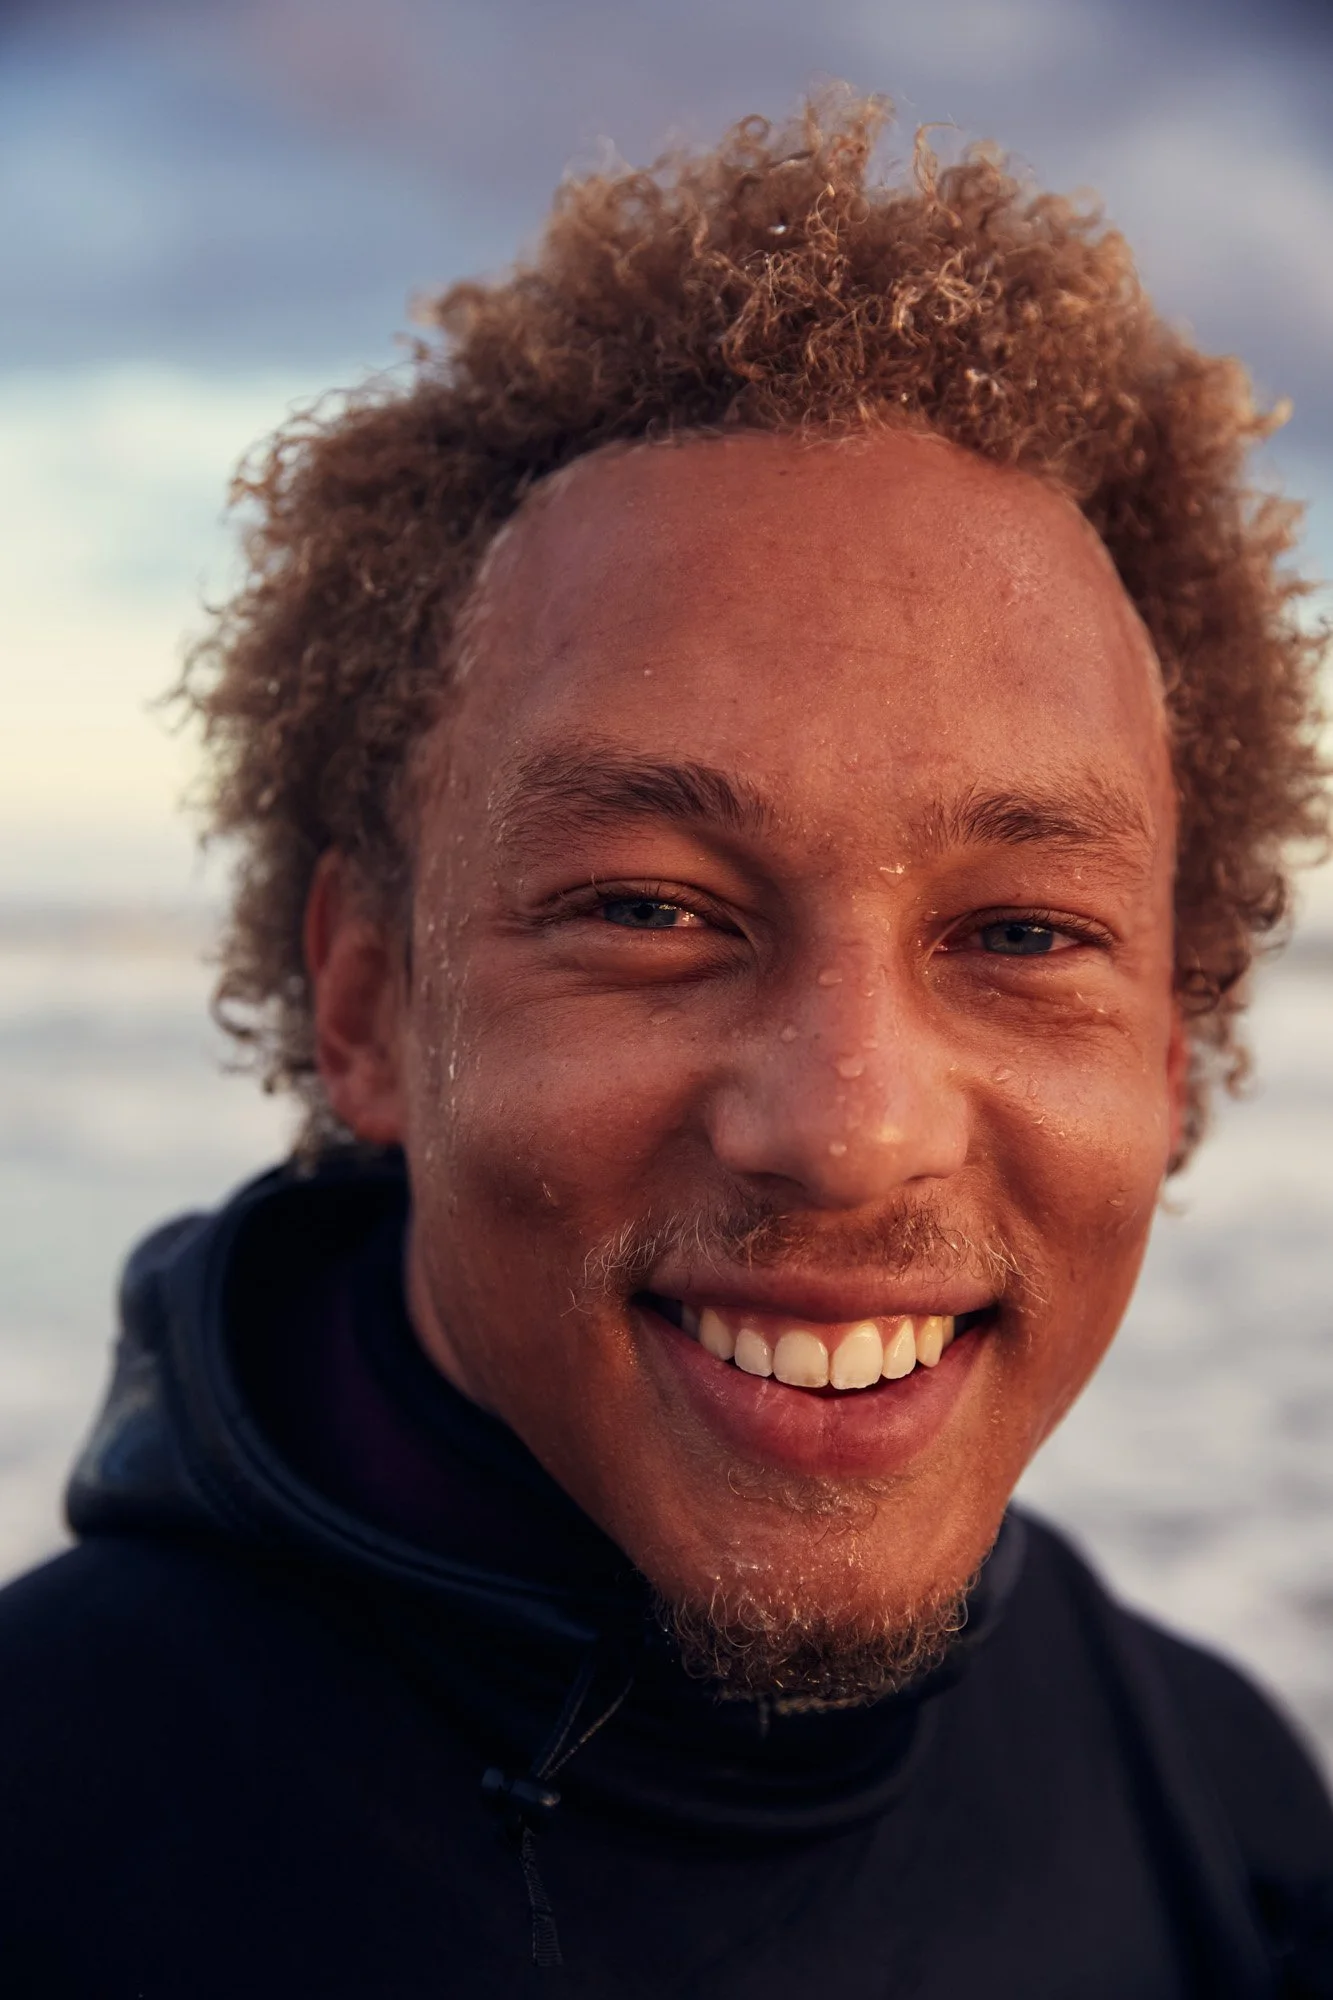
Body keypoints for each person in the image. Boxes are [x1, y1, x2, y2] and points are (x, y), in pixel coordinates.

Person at [1, 93, 1330, 1999]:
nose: (851, 1127)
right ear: (367, 1008)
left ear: (1179, 1061)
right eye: (650, 909)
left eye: (1023, 934)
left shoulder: (1222, 1806)